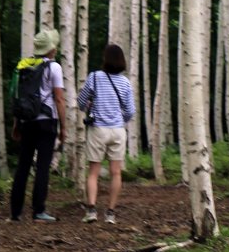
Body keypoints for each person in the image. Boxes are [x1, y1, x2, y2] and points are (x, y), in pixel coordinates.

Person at [10, 28, 66, 222]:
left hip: (26, 121)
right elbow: (59, 99)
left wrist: (16, 124)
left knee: (23, 166)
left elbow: (18, 97)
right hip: (46, 122)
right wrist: (63, 127)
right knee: (42, 167)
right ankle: (38, 211)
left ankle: (15, 212)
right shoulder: (54, 68)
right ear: (51, 49)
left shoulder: (23, 65)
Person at [77, 43, 135, 224]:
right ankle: (110, 213)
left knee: (93, 172)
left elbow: (80, 102)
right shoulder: (125, 82)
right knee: (116, 173)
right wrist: (119, 118)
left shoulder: (94, 77)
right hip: (118, 131)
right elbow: (130, 111)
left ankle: (92, 210)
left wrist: (89, 107)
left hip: (98, 130)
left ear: (105, 59)